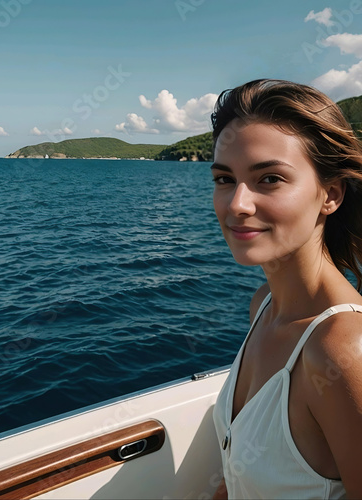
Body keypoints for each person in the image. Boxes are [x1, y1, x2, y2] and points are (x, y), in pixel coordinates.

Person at [210, 79, 362, 499]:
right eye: (225, 178)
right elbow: (237, 473)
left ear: (330, 194)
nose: (237, 204)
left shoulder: (343, 349)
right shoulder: (264, 305)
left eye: (270, 178)